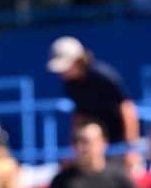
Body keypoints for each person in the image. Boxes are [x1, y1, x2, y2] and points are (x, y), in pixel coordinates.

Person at [47, 36, 140, 166]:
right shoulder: (70, 84)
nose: (61, 73)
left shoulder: (103, 76)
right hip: (94, 145)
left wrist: (130, 149)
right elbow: (79, 116)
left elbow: (127, 109)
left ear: (78, 61)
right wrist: (74, 148)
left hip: (118, 145)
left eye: (65, 67)